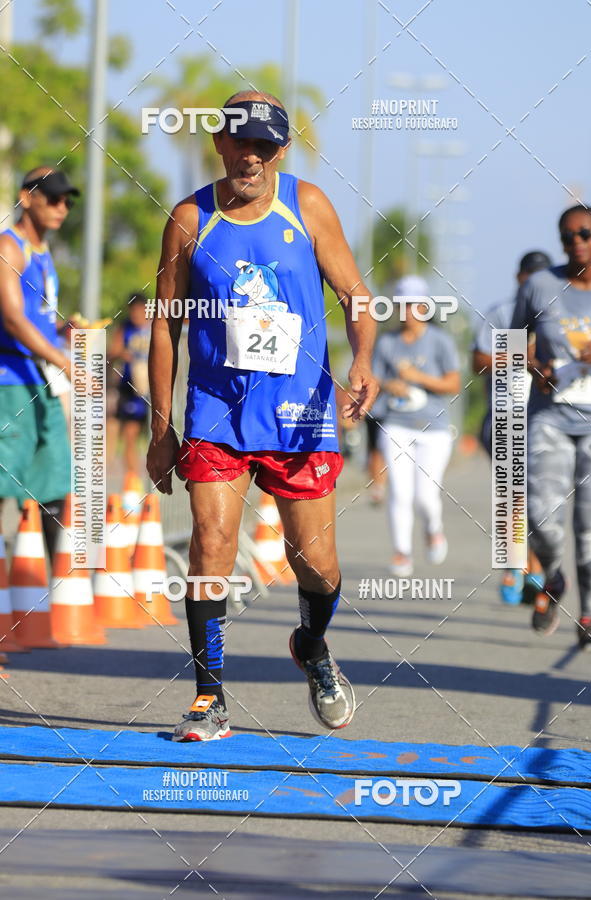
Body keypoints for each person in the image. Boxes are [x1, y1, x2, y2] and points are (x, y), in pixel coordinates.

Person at [147, 91, 378, 740]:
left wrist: (362, 361)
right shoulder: (191, 219)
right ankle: (208, 697)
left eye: (265, 146)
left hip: (300, 413)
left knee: (316, 562)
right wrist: (162, 427)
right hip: (218, 411)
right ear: (218, 144)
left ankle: (311, 642)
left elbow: (357, 295)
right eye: (239, 143)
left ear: (280, 150)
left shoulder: (307, 206)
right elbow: (166, 327)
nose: (251, 157)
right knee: (210, 543)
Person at [511, 205, 591, 651]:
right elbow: (507, 345)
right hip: (549, 416)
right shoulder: (542, 286)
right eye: (567, 237)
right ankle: (553, 574)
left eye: (585, 233)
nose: (576, 242)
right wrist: (532, 365)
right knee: (543, 518)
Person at [0, 167, 78, 556]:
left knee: (53, 478)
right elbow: (13, 319)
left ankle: (49, 589)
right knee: (4, 482)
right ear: (26, 197)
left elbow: (36, 316)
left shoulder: (44, 251)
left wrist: (65, 330)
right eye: (52, 197)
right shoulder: (9, 247)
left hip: (41, 379)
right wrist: (62, 360)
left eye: (67, 200)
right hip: (10, 381)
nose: (61, 207)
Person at [472, 250, 551, 605]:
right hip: (506, 415)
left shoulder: (563, 316)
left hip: (550, 420)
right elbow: (478, 361)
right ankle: (515, 565)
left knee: (543, 500)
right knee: (513, 496)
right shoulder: (500, 313)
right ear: (519, 279)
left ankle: (535, 566)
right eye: (529, 277)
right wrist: (522, 355)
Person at [372, 276, 461, 576]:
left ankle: (433, 528)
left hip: (434, 428)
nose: (407, 310)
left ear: (425, 306)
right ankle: (402, 552)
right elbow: (374, 381)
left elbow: (453, 383)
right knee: (399, 491)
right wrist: (389, 384)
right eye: (402, 304)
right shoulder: (386, 342)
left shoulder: (440, 341)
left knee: (425, 495)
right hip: (396, 424)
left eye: (413, 304)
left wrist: (417, 377)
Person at [108, 294, 152, 476]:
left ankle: (156, 483)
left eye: (139, 310)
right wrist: (122, 354)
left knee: (155, 436)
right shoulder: (125, 328)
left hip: (153, 388)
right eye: (132, 310)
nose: (136, 315)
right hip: (130, 387)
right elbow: (112, 352)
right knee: (129, 434)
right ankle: (132, 479)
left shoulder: (156, 327)